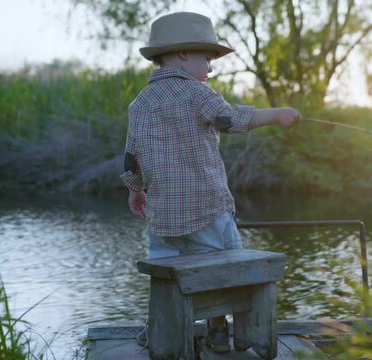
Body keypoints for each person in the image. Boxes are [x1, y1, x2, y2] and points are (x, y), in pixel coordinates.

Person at [120, 11, 302, 353]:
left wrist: (135, 189)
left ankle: (160, 327)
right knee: (224, 267)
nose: (211, 67)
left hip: (162, 216)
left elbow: (132, 156)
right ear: (184, 54)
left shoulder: (139, 104)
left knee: (166, 275)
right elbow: (229, 118)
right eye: (207, 58)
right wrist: (277, 115)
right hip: (207, 207)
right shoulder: (197, 92)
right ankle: (219, 328)